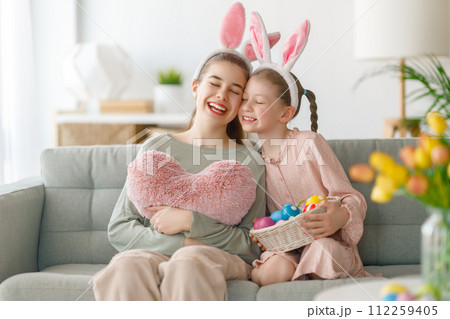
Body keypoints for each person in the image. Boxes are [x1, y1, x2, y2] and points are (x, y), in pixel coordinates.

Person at [91, 3, 266, 300]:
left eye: (235, 90)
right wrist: (182, 244)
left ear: (241, 103)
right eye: (215, 83)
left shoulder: (250, 160)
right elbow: (120, 227)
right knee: (127, 265)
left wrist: (191, 223)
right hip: (152, 252)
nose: (223, 94)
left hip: (213, 260)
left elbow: (253, 245)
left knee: (188, 263)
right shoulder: (155, 147)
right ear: (196, 88)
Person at [239, 12, 376, 286]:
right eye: (244, 99)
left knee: (323, 252)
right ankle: (293, 274)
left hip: (328, 241)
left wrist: (341, 215)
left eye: (258, 102)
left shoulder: (310, 143)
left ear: (285, 113)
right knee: (273, 270)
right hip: (287, 246)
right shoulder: (251, 156)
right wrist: (260, 228)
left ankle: (310, 282)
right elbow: (263, 214)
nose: (246, 107)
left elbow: (350, 196)